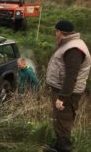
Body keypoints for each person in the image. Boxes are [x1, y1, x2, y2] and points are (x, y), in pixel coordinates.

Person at [44, 20, 91, 152]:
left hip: (67, 93)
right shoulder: (70, 44)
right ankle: (59, 146)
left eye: (56, 31)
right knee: (60, 120)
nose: (55, 34)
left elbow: (71, 76)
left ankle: (65, 148)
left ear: (60, 32)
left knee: (63, 121)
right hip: (64, 91)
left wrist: (62, 97)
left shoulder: (73, 49)